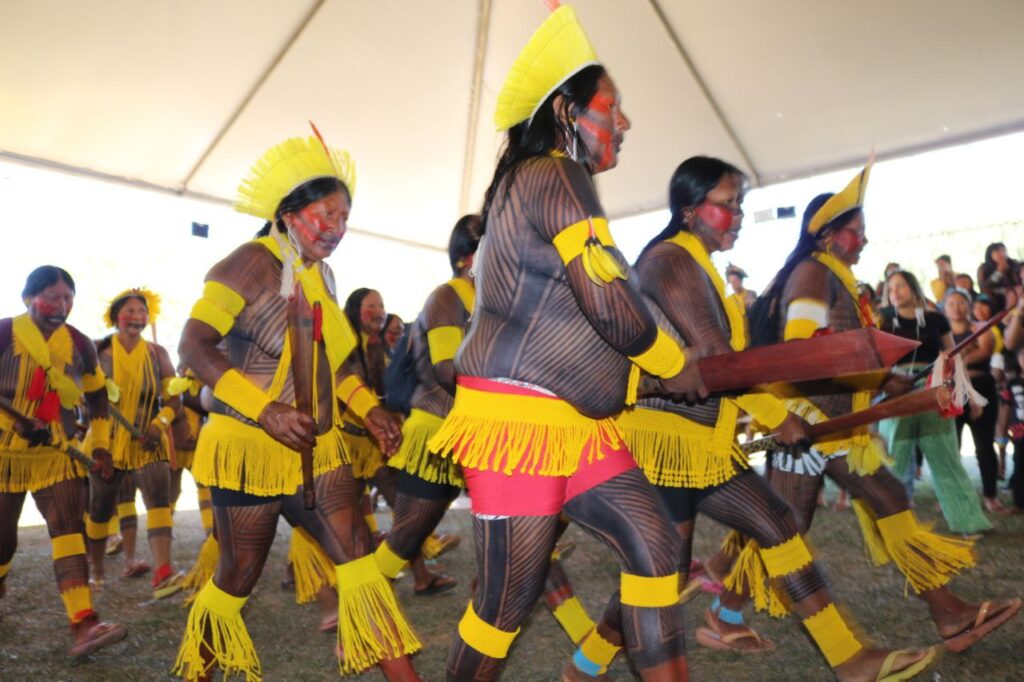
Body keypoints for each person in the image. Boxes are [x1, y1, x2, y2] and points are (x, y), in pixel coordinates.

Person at [426, 5, 704, 679]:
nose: (624, 123)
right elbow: (609, 303)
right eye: (611, 108)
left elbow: (573, 315)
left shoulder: (541, 182)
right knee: (505, 602)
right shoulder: (555, 173)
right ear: (565, 112)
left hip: (572, 422)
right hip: (518, 421)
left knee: (656, 546)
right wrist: (671, 363)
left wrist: (642, 377)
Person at [610, 156, 933, 679]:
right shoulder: (670, 261)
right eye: (728, 204)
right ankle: (583, 668)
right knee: (660, 576)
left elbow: (724, 362)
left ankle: (849, 659)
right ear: (690, 209)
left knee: (777, 525)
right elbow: (719, 360)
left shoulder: (697, 263)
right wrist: (781, 418)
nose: (738, 215)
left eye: (741, 204)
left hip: (705, 445)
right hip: (665, 445)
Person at [173, 133, 419, 680]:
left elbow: (335, 364)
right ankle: (197, 672)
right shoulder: (247, 264)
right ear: (288, 214)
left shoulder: (322, 276)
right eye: (325, 214)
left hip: (319, 449)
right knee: (238, 576)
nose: (337, 228)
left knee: (358, 560)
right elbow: (193, 345)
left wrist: (369, 410)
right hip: (250, 449)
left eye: (345, 218)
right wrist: (265, 411)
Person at [747, 162, 1020, 654]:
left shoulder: (831, 275)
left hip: (833, 427)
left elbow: (829, 353)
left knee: (803, 521)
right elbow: (802, 353)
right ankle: (723, 601)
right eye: (857, 232)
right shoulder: (812, 274)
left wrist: (883, 380)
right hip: (810, 425)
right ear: (827, 235)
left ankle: (948, 612)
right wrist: (878, 379)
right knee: (804, 522)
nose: (865, 240)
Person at [0, 266, 126, 656]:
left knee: (69, 530)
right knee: (3, 543)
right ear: (27, 298)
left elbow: (98, 394)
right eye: (51, 297)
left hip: (56, 456)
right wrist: (15, 423)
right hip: (3, 456)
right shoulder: (4, 333)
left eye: (68, 297)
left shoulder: (80, 344)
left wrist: (100, 445)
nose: (61, 305)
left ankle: (84, 622)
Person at [86, 288, 184, 598]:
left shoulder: (157, 354)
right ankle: (96, 571)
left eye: (142, 311)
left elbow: (175, 398)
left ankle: (163, 572)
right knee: (101, 509)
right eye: (129, 311)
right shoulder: (97, 351)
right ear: (116, 316)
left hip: (148, 441)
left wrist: (159, 424)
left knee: (159, 500)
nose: (137, 316)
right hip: (106, 444)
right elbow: (78, 390)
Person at [877, 271, 991, 533]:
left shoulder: (936, 319)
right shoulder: (882, 320)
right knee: (893, 461)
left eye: (901, 286)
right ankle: (893, 526)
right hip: (896, 393)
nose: (895, 292)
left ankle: (967, 521)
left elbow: (955, 358)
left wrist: (969, 395)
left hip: (933, 392)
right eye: (891, 288)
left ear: (913, 288)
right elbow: (876, 361)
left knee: (946, 459)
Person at [944, 289, 1006, 514]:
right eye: (951, 303)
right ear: (945, 308)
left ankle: (990, 495)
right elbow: (941, 358)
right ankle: (951, 496)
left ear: (969, 305)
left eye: (961, 302)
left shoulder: (981, 328)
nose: (957, 307)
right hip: (952, 391)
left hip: (982, 389)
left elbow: (984, 351)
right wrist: (964, 353)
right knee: (952, 447)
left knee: (984, 446)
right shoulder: (941, 333)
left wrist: (955, 358)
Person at [977, 242, 1020, 312]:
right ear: (990, 255)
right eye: (997, 252)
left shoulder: (1014, 263)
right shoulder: (983, 268)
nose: (1001, 254)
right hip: (996, 300)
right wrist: (999, 272)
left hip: (1015, 296)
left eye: (1003, 250)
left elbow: (1018, 282)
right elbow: (985, 288)